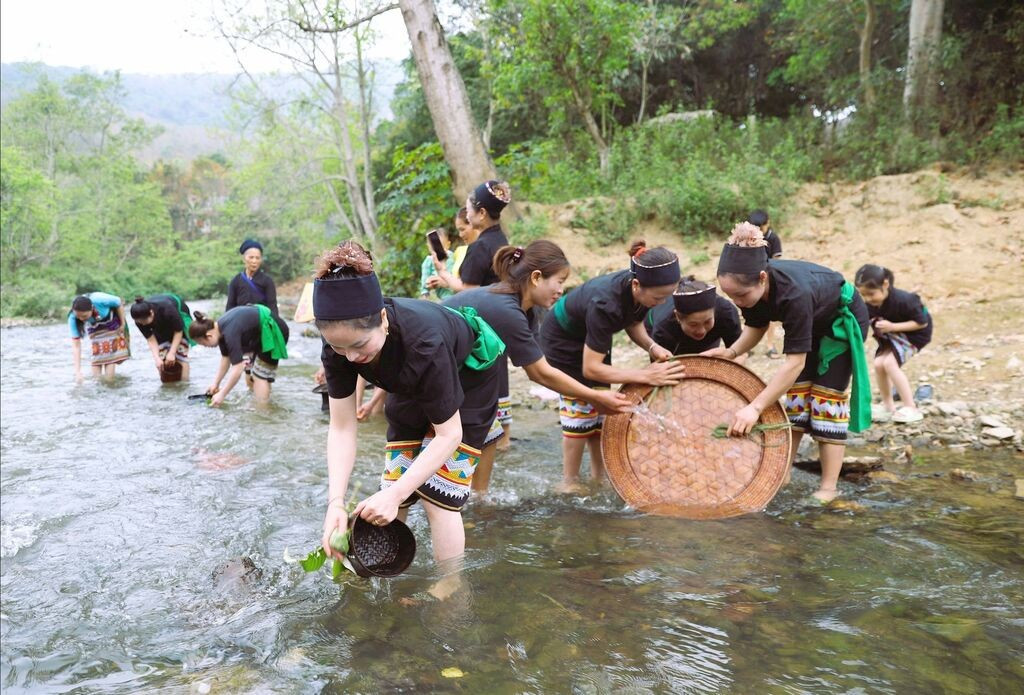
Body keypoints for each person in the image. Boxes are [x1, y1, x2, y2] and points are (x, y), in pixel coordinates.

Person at [315, 240, 504, 567]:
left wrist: (398, 494)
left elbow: (449, 435)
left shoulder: (423, 343)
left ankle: (449, 588)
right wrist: (336, 502)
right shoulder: (339, 347)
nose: (351, 358)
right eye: (339, 348)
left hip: (469, 376)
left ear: (383, 319)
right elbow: (343, 427)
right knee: (393, 481)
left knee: (438, 496)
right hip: (407, 380)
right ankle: (387, 572)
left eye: (360, 345)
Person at [444, 240, 633, 493]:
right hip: (435, 367)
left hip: (457, 369)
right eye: (559, 281)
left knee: (490, 428)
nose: (561, 291)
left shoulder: (524, 310)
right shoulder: (507, 309)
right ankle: (456, 501)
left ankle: (479, 500)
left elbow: (538, 366)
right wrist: (594, 396)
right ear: (536, 277)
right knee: (458, 436)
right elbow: (539, 374)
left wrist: (590, 395)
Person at [704, 222, 870, 503]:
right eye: (730, 296)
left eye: (741, 296)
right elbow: (756, 327)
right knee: (795, 401)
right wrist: (730, 353)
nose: (737, 303)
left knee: (825, 402)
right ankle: (784, 472)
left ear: (762, 278)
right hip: (812, 324)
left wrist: (755, 407)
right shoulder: (752, 293)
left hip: (839, 325)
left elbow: (793, 363)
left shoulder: (794, 294)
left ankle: (829, 488)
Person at [540, 240, 687, 492]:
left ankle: (600, 476)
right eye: (659, 297)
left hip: (592, 339)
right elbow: (591, 370)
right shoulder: (605, 303)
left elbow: (633, 322)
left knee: (603, 408)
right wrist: (646, 375)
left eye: (667, 297)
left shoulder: (638, 291)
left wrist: (652, 347)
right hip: (563, 341)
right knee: (580, 407)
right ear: (637, 285)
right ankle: (569, 481)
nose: (662, 303)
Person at [433, 183, 515, 449]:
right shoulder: (502, 241)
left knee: (480, 381)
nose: (466, 214)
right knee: (498, 377)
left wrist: (442, 273)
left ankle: (484, 437)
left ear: (480, 213)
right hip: (501, 321)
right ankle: (503, 438)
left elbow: (467, 293)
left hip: (479, 326)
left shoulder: (480, 247)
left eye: (468, 209)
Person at [854, 264, 933, 424]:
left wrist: (893, 327)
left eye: (871, 294)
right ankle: (888, 406)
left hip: (914, 335)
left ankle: (911, 407)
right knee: (878, 363)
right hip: (891, 336)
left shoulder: (905, 300)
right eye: (864, 295)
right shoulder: (871, 305)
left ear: (885, 284)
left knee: (890, 363)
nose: (868, 299)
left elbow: (922, 323)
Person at [188, 305, 289, 406]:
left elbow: (238, 369)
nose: (205, 347)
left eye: (203, 344)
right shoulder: (219, 329)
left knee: (260, 376)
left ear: (209, 336)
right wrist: (216, 383)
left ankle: (262, 414)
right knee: (254, 374)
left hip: (273, 331)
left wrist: (222, 394)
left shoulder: (229, 333)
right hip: (257, 336)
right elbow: (225, 359)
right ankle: (264, 403)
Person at [645, 276, 744, 360]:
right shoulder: (663, 329)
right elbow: (661, 370)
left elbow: (740, 352)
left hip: (708, 335)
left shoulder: (726, 312)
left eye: (707, 322)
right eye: (693, 324)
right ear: (678, 317)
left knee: (706, 359)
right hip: (661, 328)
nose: (701, 330)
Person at [130, 294, 194, 382]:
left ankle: (185, 383)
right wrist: (157, 359)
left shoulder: (167, 309)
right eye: (140, 322)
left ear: (151, 313)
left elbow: (178, 331)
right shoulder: (139, 320)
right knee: (162, 359)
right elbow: (151, 339)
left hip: (176, 321)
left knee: (181, 354)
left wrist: (172, 353)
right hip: (158, 328)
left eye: (145, 321)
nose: (143, 324)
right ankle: (167, 386)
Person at [68, 292, 131, 380]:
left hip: (111, 325)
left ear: (92, 308)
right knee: (96, 359)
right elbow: (76, 345)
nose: (81, 319)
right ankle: (98, 386)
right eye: (78, 317)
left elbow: (118, 302)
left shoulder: (99, 299)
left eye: (84, 316)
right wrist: (78, 372)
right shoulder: (72, 316)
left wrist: (123, 324)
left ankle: (110, 383)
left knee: (109, 356)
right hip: (94, 329)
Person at [748, 209, 783, 357]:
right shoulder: (749, 238)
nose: (759, 231)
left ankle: (770, 345)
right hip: (751, 281)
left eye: (761, 228)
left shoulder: (773, 238)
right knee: (750, 313)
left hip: (768, 281)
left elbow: (776, 261)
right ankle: (746, 346)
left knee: (770, 314)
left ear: (767, 223)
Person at [226, 238, 278, 316]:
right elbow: (230, 307)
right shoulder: (236, 281)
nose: (254, 261)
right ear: (244, 259)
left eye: (257, 258)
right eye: (251, 257)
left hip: (261, 322)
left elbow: (272, 307)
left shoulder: (267, 281)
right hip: (241, 323)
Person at [418, 227, 458, 301]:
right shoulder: (428, 261)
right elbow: (425, 279)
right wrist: (426, 290)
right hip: (442, 297)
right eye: (434, 248)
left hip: (456, 292)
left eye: (440, 247)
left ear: (448, 245)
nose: (437, 251)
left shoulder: (454, 256)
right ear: (428, 246)